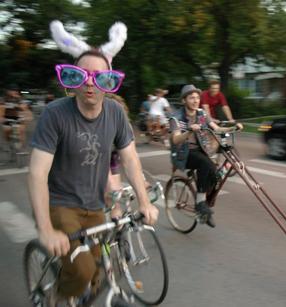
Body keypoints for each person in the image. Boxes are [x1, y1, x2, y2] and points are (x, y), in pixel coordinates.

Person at [28, 20, 158, 305]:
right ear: (72, 79)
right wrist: (45, 230)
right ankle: (53, 296)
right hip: (61, 205)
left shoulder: (115, 114)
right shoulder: (54, 114)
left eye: (100, 77)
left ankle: (74, 285)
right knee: (82, 271)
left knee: (100, 271)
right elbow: (37, 174)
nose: (90, 82)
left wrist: (144, 202)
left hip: (95, 206)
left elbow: (131, 160)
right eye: (81, 75)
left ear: (110, 83)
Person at [169, 84, 242, 228]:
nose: (195, 101)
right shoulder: (176, 118)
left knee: (216, 177)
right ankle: (200, 204)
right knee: (206, 164)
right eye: (191, 98)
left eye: (197, 98)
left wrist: (233, 128)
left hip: (201, 149)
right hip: (184, 154)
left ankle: (204, 209)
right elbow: (175, 139)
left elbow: (217, 128)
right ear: (184, 100)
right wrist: (189, 131)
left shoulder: (201, 114)